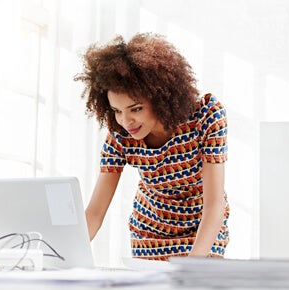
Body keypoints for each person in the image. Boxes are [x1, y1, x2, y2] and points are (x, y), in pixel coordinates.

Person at [74, 33, 229, 260]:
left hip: (203, 228)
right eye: (117, 111)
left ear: (159, 97)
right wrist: (62, 256)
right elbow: (95, 213)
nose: (126, 121)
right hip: (149, 233)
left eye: (135, 109)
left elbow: (214, 204)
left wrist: (192, 265)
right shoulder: (120, 135)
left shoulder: (206, 116)